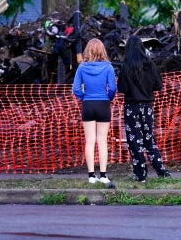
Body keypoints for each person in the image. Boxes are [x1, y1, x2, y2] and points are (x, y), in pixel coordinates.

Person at [117, 36, 171, 182]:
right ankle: (161, 170)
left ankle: (140, 174)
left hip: (131, 108)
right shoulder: (150, 64)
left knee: (135, 142)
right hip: (147, 107)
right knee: (149, 140)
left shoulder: (126, 67)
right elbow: (158, 86)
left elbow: (122, 88)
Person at [72, 38, 117, 184]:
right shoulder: (108, 67)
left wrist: (84, 97)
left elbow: (76, 89)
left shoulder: (82, 67)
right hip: (103, 103)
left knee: (90, 141)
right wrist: (108, 98)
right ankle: (103, 175)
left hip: (88, 104)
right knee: (102, 141)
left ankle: (91, 176)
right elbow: (112, 88)